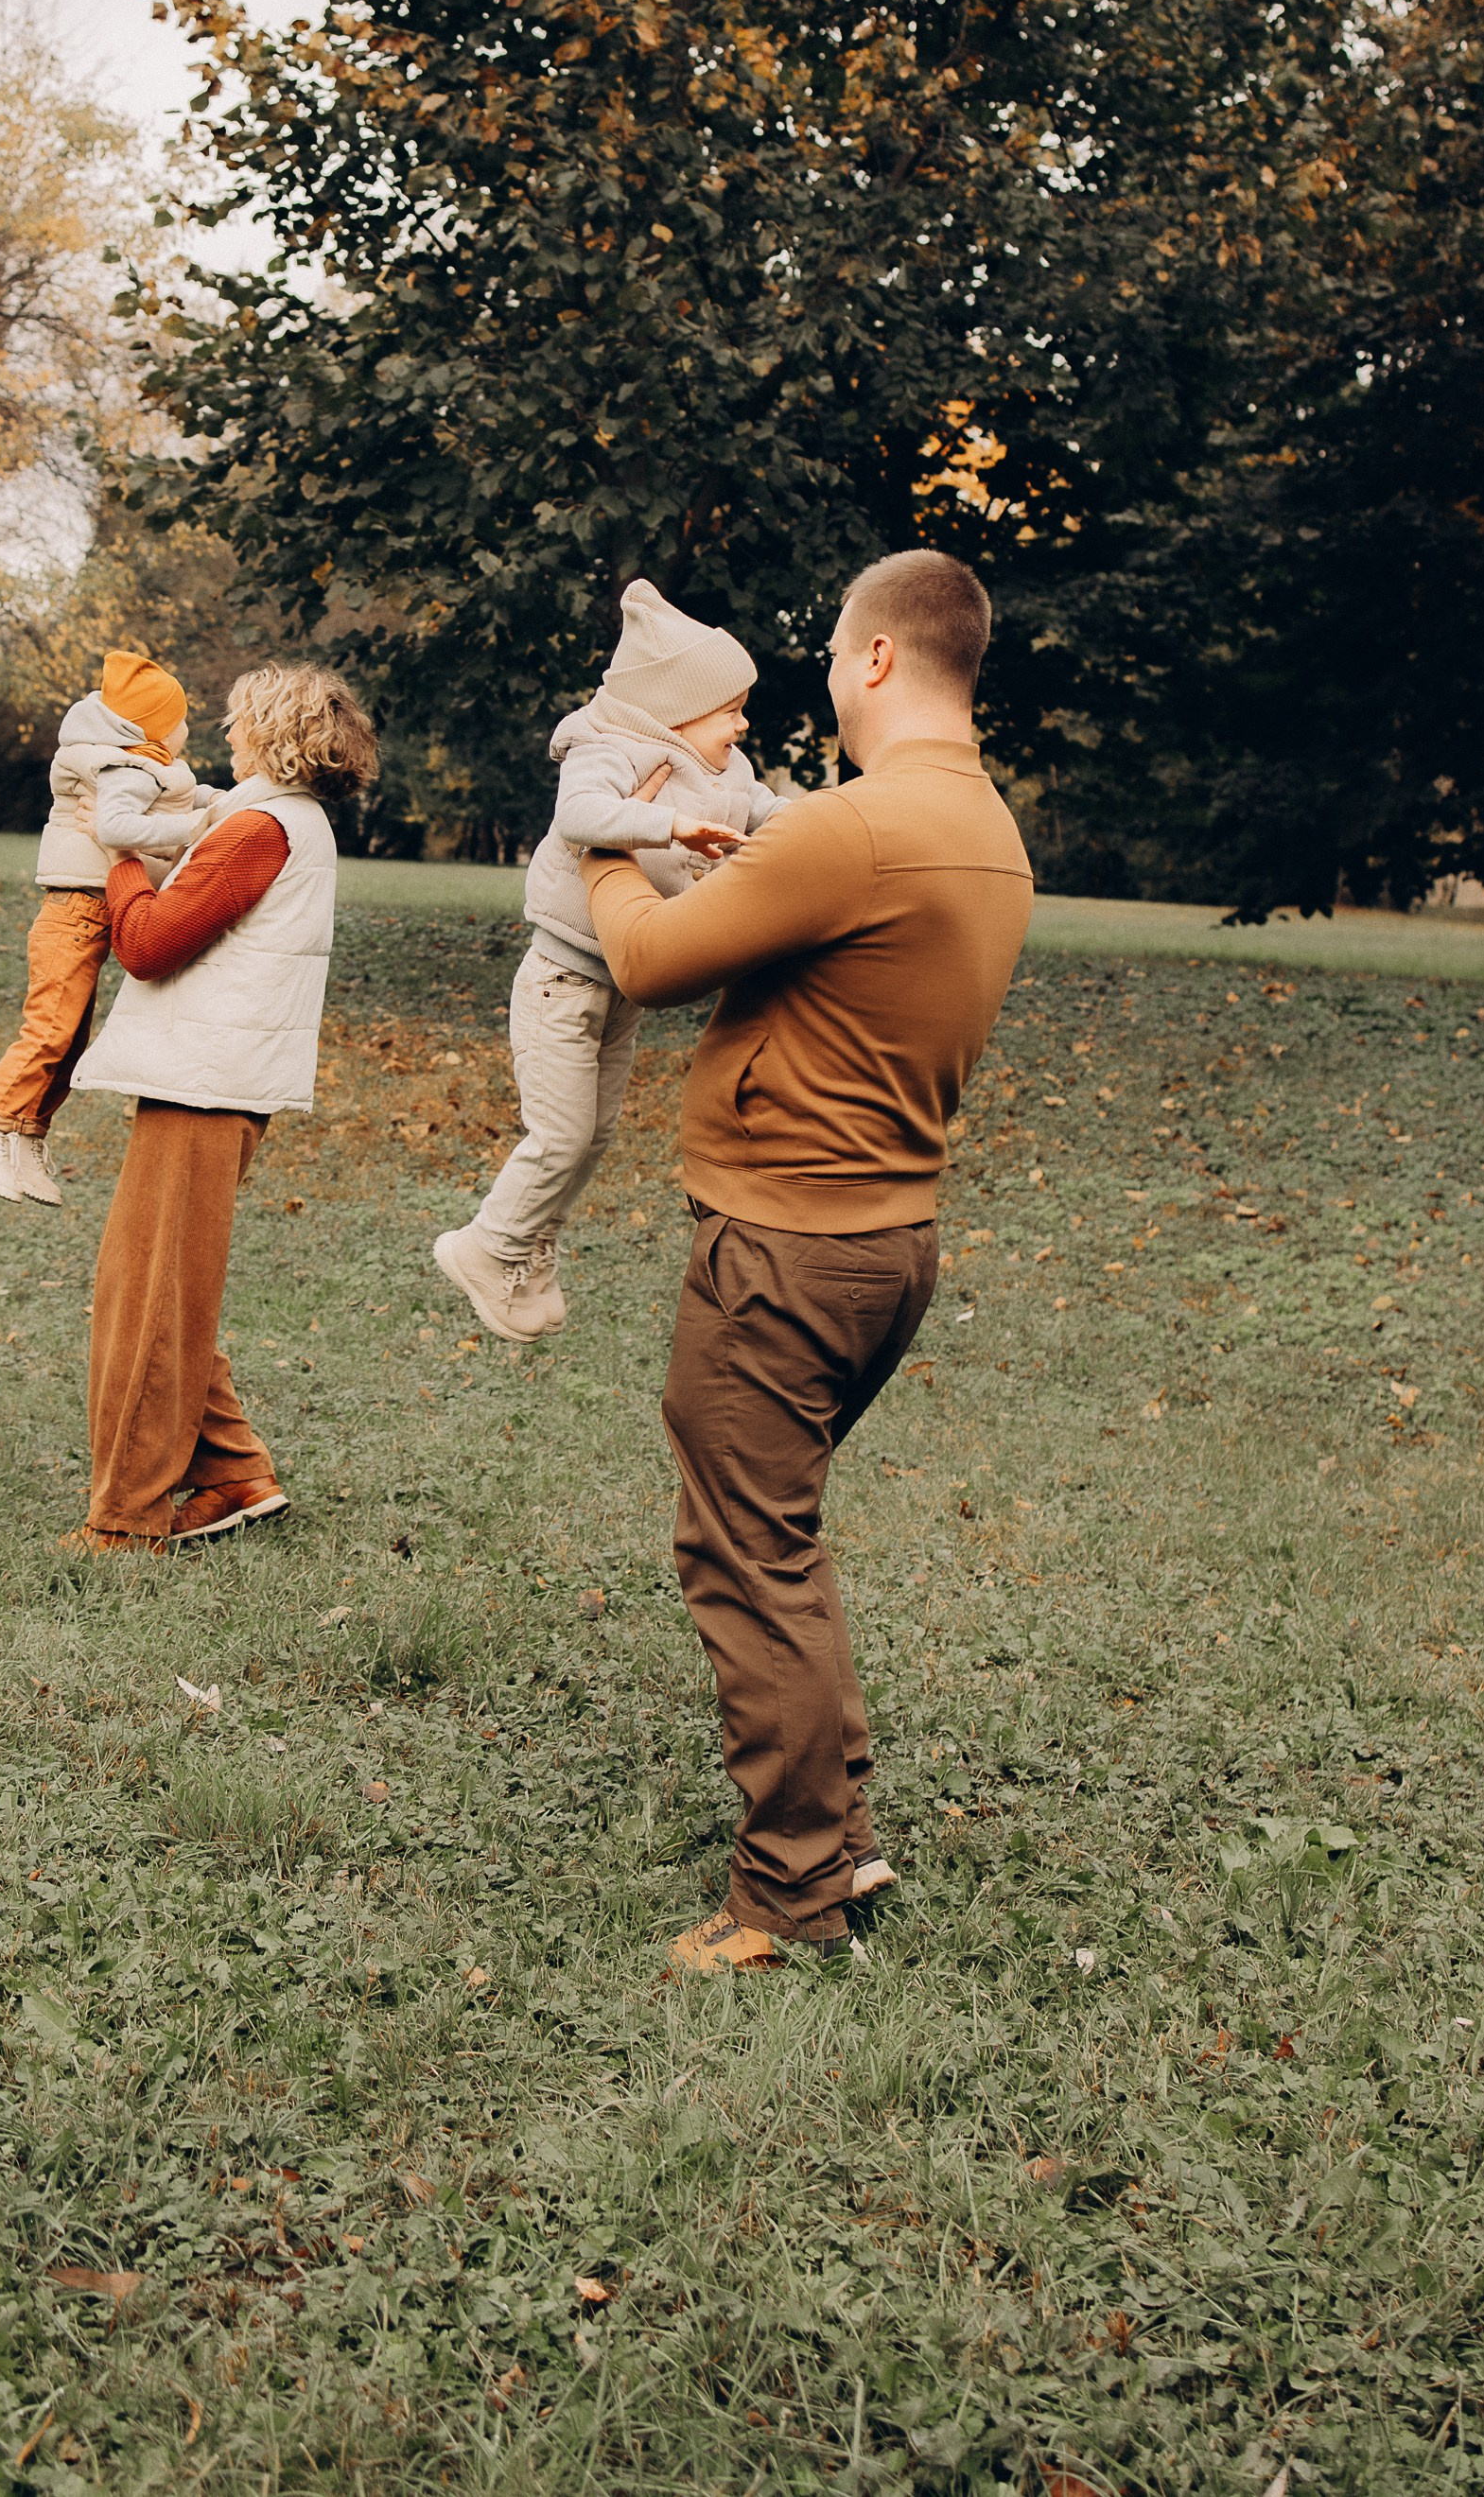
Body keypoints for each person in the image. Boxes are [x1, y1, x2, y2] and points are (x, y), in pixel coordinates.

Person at [581, 550, 1032, 1972]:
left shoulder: (859, 827)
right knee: (780, 1540)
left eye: (836, 656)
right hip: (884, 1243)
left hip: (784, 1251)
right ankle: (836, 1841)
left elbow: (647, 959)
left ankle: (785, 1898)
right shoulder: (985, 828)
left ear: (882, 659)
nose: (830, 682)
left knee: (741, 1554)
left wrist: (599, 847)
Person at [59, 660, 378, 1555]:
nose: (226, 734)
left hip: (209, 1086)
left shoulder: (264, 827)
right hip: (201, 1080)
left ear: (273, 738)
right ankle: (233, 1474)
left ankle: (126, 1520)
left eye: (240, 723)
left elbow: (151, 943)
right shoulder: (263, 819)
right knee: (148, 1287)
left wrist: (121, 860)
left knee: (153, 1300)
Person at [433, 579, 784, 1342]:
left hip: (625, 980)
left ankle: (527, 1244)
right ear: (676, 707)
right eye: (731, 708)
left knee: (592, 1137)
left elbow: (770, 812)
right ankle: (484, 1246)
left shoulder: (728, 769)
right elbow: (579, 816)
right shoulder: (609, 748)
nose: (742, 722)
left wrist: (835, 817)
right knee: (558, 1134)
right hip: (562, 977)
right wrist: (671, 826)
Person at [0, 652, 217, 1208]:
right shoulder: (122, 768)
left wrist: (227, 805)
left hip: (89, 913)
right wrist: (193, 830)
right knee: (48, 1032)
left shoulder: (141, 765)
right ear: (156, 726)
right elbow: (116, 824)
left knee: (68, 1042)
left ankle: (25, 1137)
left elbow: (191, 795)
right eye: (181, 719)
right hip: (76, 912)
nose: (187, 729)